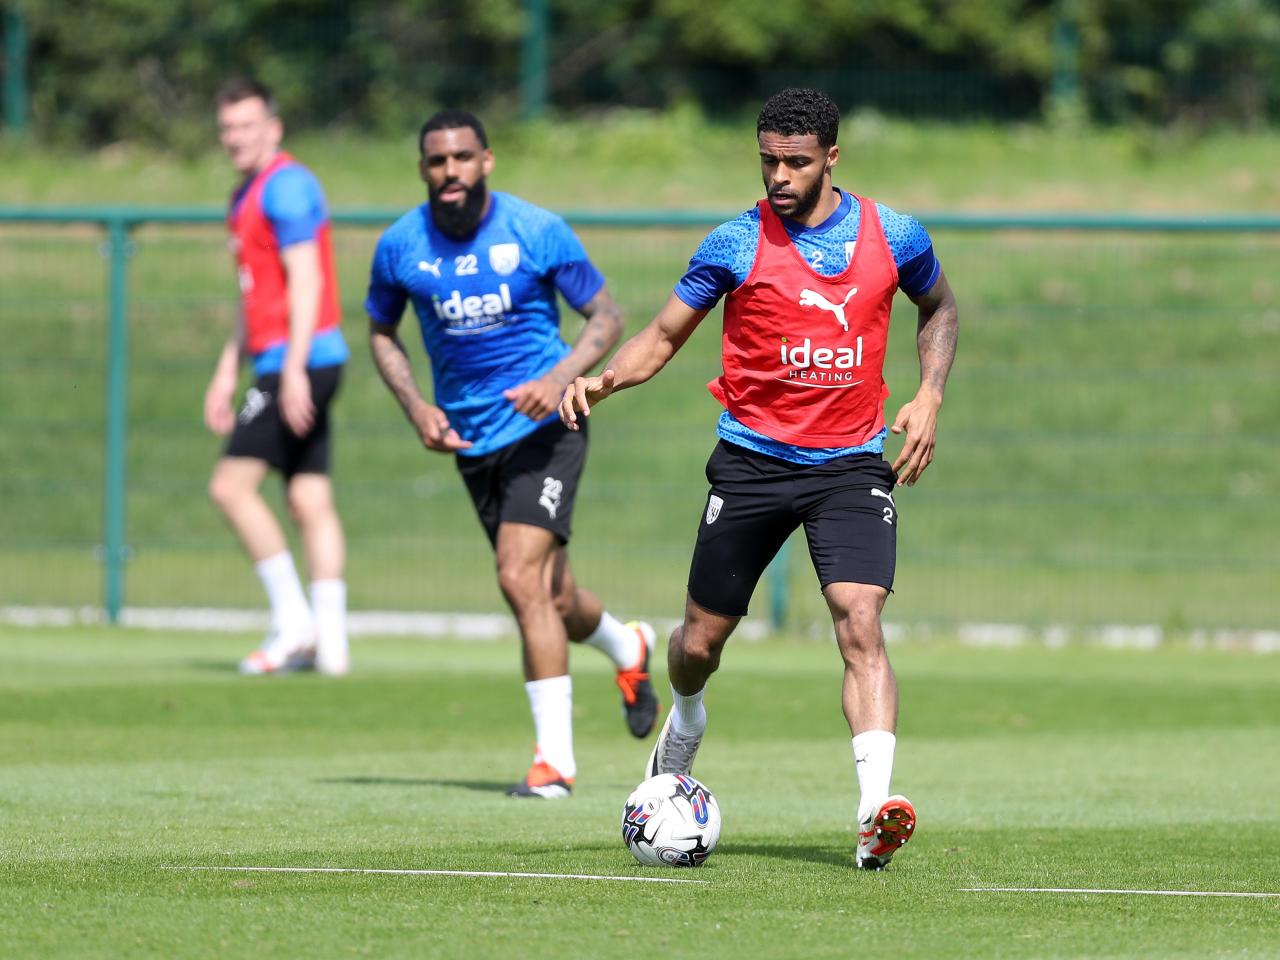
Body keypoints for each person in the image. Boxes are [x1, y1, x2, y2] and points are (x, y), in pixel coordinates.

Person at [560, 88, 959, 869]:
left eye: (796, 161)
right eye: (768, 159)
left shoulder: (896, 234)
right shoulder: (733, 244)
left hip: (849, 465)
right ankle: (685, 716)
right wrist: (606, 381)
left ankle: (874, 808)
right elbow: (663, 336)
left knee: (860, 622)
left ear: (832, 157)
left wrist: (930, 393)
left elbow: (939, 307)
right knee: (700, 644)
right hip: (750, 463)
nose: (779, 175)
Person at [365, 109, 660, 799]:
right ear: (422, 169)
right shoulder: (400, 246)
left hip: (549, 427)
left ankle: (553, 763)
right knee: (552, 595)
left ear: (486, 161)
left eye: (462, 158)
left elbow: (608, 319)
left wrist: (558, 381)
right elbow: (381, 331)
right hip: (472, 440)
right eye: (436, 162)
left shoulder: (535, 231)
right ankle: (627, 646)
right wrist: (416, 407)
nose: (450, 173)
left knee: (518, 577)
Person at [203, 79, 350, 677]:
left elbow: (307, 279)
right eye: (227, 128)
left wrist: (290, 371)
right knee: (307, 497)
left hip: (301, 361)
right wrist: (224, 369)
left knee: (230, 487)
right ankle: (332, 645)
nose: (236, 137)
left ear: (274, 126)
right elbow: (253, 296)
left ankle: (294, 623)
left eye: (247, 125)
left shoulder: (287, 185)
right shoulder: (246, 194)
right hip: (288, 360)